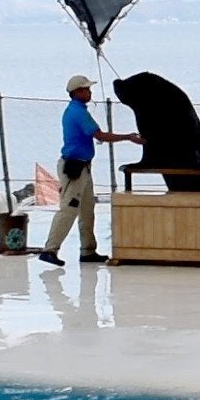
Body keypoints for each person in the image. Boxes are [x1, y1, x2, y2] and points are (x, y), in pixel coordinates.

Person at [39, 75, 143, 267]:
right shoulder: (77, 112)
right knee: (69, 209)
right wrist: (128, 137)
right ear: (76, 92)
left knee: (87, 209)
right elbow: (100, 135)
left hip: (84, 167)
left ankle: (88, 250)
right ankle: (50, 249)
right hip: (74, 167)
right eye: (86, 89)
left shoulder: (78, 110)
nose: (90, 92)